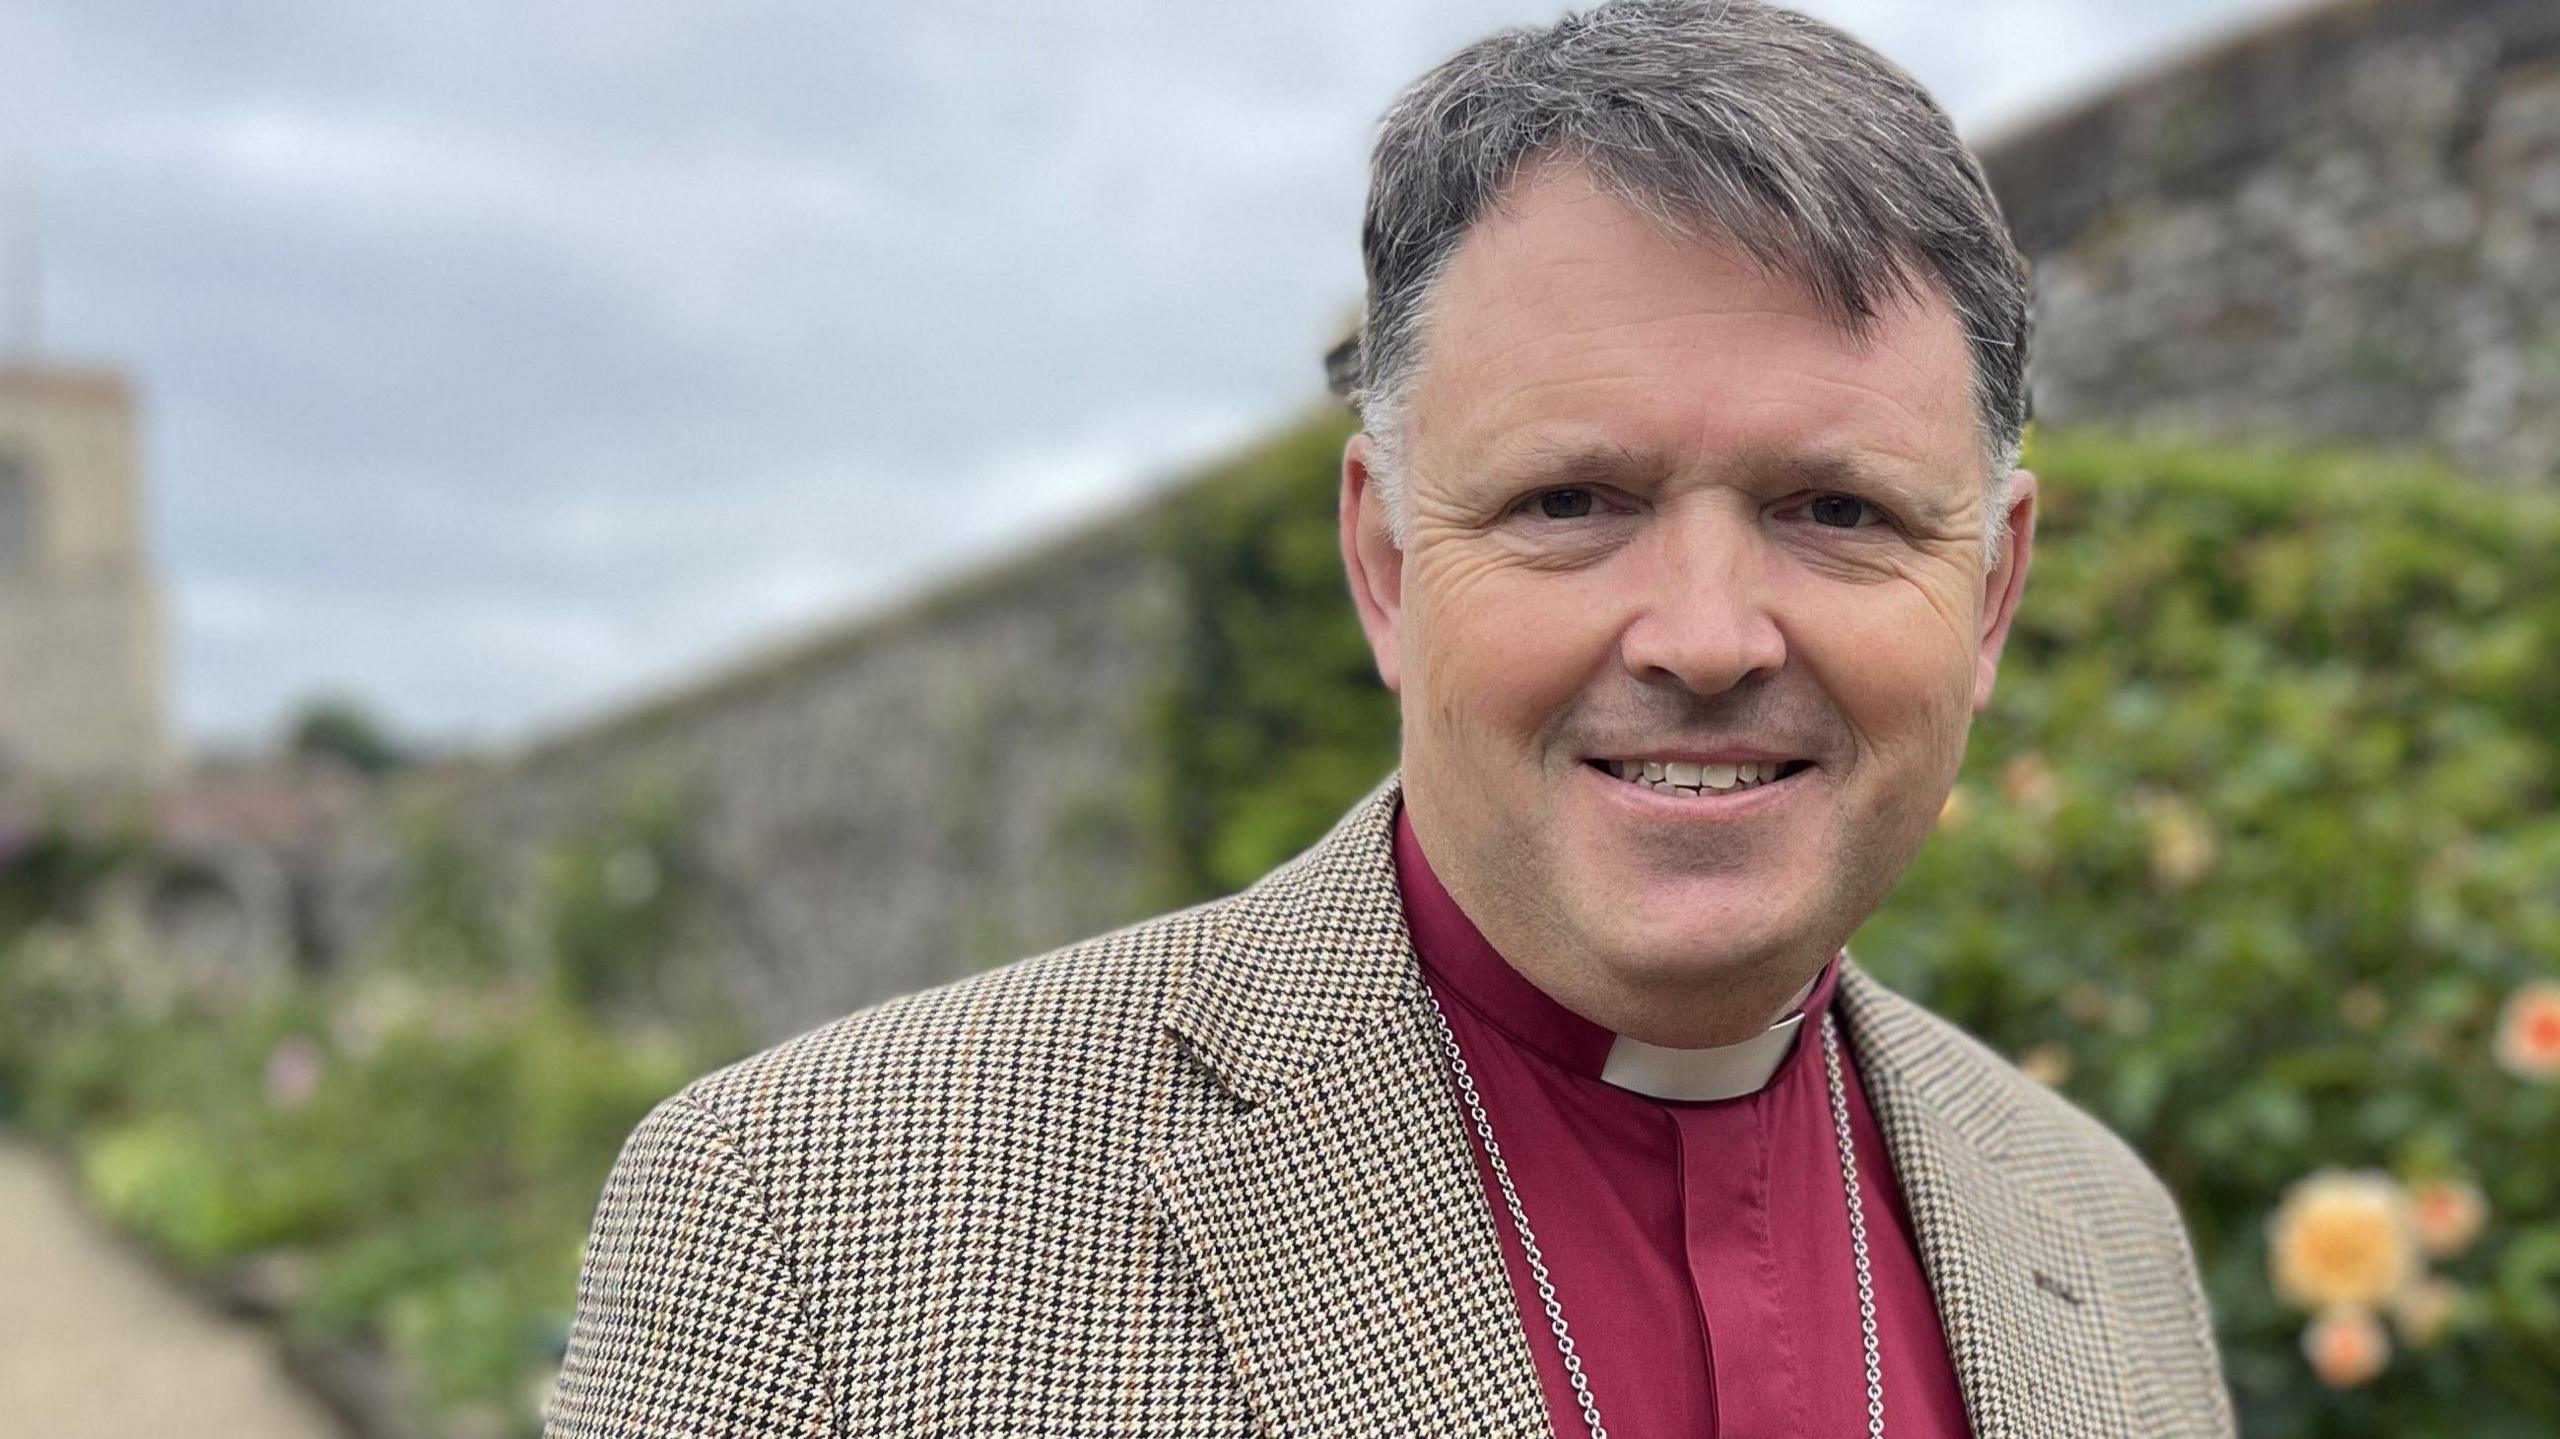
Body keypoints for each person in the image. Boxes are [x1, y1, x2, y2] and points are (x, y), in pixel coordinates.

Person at [546, 3, 2237, 1434]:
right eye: (1574, 500)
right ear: (1384, 561)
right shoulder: (814, 1222)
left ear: (1993, 592)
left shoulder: (2107, 1237)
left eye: (1840, 511)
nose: (1709, 638)